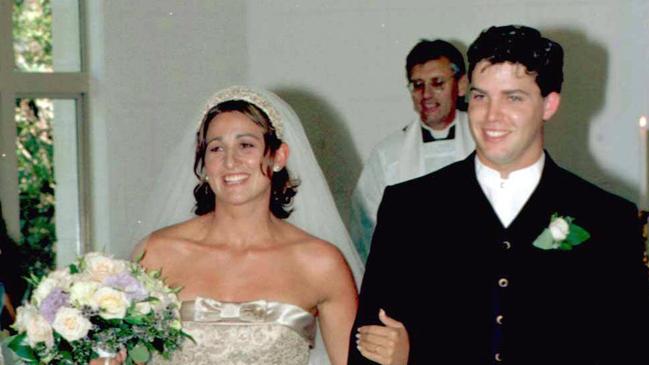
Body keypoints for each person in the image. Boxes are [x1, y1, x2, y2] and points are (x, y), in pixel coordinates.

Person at [349, 25, 649, 364]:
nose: (492, 116)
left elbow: (629, 348)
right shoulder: (410, 208)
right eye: (480, 96)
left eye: (513, 97)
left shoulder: (606, 217)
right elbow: (369, 347)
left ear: (549, 104)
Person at [92, 86, 362, 365]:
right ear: (204, 164)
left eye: (246, 145)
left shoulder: (320, 263)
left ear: (277, 157)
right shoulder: (158, 253)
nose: (230, 161)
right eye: (216, 148)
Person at [350, 39, 474, 261]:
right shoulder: (388, 154)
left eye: (437, 83)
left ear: (461, 85)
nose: (426, 94)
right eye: (417, 84)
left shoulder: (487, 142)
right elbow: (364, 229)